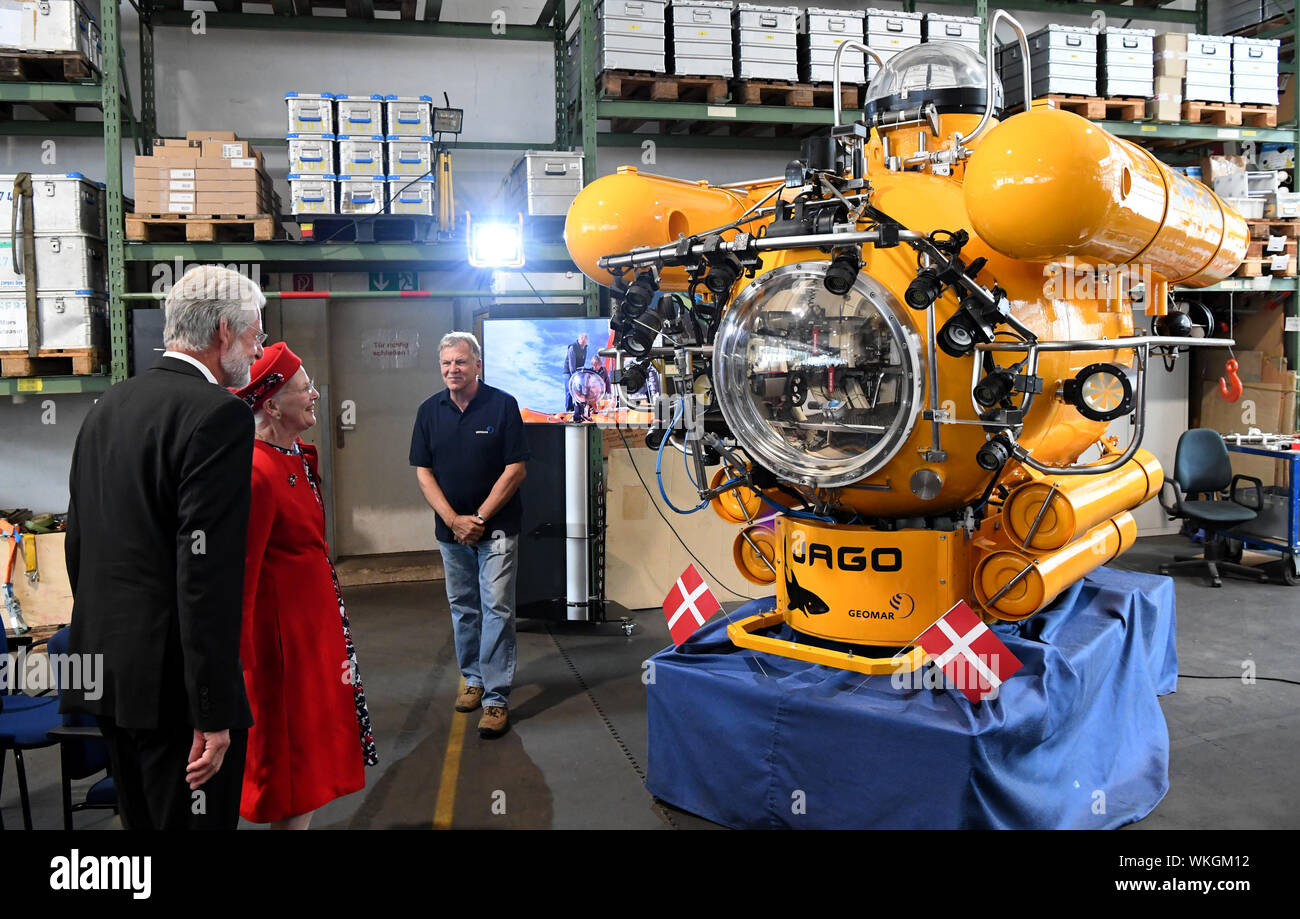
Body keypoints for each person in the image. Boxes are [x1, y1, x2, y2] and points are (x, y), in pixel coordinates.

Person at [62, 265, 265, 830]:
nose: (257, 350)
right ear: (225, 331)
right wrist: (211, 709)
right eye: (255, 335)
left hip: (107, 673)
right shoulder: (218, 414)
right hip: (174, 691)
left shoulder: (107, 407)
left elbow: (78, 545)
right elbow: (205, 576)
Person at [233, 342, 378, 830]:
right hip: (283, 648)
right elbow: (244, 576)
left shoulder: (291, 455)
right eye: (305, 388)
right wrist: (240, 664)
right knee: (294, 762)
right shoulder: (256, 471)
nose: (316, 395)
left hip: (313, 633)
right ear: (272, 404)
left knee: (312, 758)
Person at [410, 332, 529, 738]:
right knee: (463, 607)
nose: (452, 370)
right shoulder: (429, 411)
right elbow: (423, 473)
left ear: (477, 364)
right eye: (446, 363)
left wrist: (477, 517)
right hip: (451, 533)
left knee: (496, 607)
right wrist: (453, 519)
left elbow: (515, 470)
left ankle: (496, 699)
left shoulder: (503, 405)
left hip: (495, 529)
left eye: (460, 362)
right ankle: (473, 679)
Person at [563, 332, 588, 416]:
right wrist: (574, 376)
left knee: (580, 389)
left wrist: (581, 373)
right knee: (569, 390)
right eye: (582, 342)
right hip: (569, 371)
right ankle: (569, 409)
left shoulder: (585, 348)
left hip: (578, 371)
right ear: (579, 340)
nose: (583, 345)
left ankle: (579, 408)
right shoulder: (572, 348)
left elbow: (583, 362)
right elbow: (571, 364)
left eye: (585, 343)